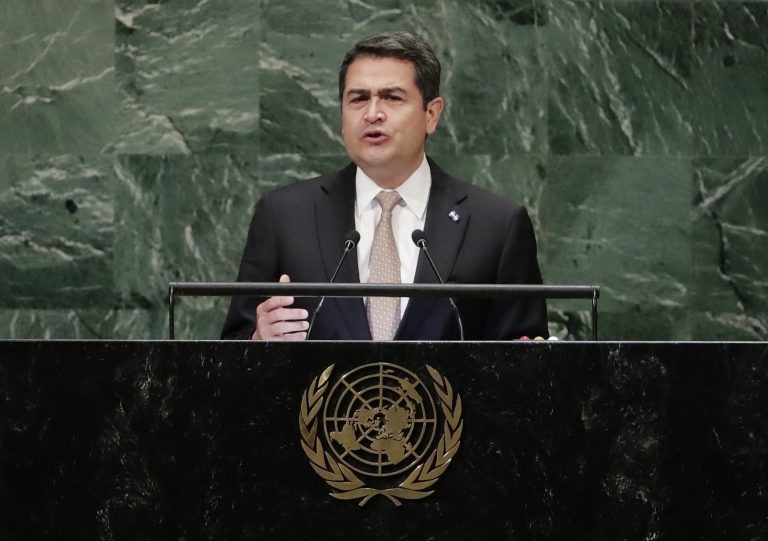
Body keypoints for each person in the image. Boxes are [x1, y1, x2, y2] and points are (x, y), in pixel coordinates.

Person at [221, 31, 547, 341]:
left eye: (392, 97)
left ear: (431, 114)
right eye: (358, 99)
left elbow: (529, 366)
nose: (373, 113)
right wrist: (257, 340)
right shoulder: (285, 217)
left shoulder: (496, 226)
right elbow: (223, 358)